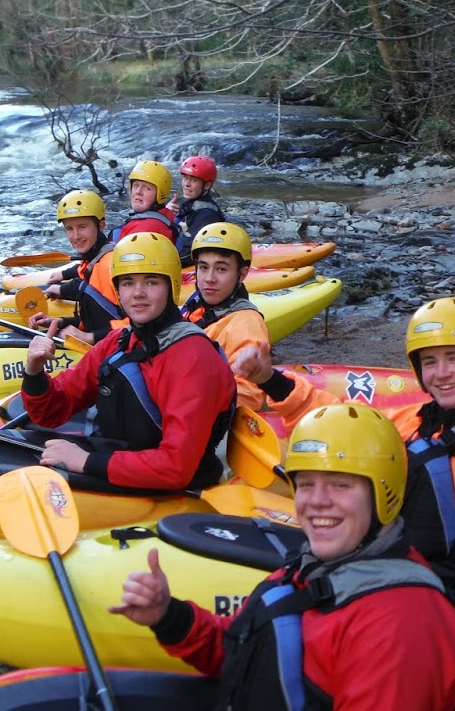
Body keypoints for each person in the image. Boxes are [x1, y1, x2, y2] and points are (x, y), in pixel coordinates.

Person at [110, 402, 455, 711]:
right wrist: (170, 617)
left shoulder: (401, 626)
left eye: (340, 485)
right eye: (306, 484)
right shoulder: (317, 565)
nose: (316, 502)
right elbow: (253, 661)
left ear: (384, 494)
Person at [234, 297, 455, 608]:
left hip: (441, 598)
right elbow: (339, 424)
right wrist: (268, 379)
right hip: (389, 569)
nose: (441, 373)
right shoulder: (415, 421)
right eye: (429, 361)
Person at [22, 231, 236, 491]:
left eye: (151, 282)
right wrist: (34, 373)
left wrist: (86, 461)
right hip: (122, 460)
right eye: (127, 283)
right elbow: (51, 412)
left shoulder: (194, 358)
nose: (137, 293)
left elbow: (176, 467)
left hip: (176, 488)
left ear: (172, 287)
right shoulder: (119, 341)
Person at [178, 222, 272, 411]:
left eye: (221, 269)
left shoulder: (246, 323)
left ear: (242, 274)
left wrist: (180, 402)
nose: (209, 278)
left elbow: (248, 395)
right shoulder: (195, 305)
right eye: (203, 267)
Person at [28, 189, 122, 346]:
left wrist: (90, 337)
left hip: (114, 348)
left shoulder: (110, 267)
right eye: (69, 229)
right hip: (103, 341)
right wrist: (59, 321)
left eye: (82, 226)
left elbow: (138, 324)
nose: (76, 236)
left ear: (101, 226)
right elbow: (101, 317)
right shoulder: (93, 261)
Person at [165, 155, 228, 264]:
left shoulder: (206, 215)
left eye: (193, 180)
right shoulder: (190, 205)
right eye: (185, 178)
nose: (186, 184)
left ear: (207, 185)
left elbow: (188, 254)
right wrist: (165, 215)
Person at [113, 160, 183, 246]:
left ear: (160, 194)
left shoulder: (144, 232)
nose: (138, 192)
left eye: (147, 188)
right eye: (136, 185)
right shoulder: (164, 214)